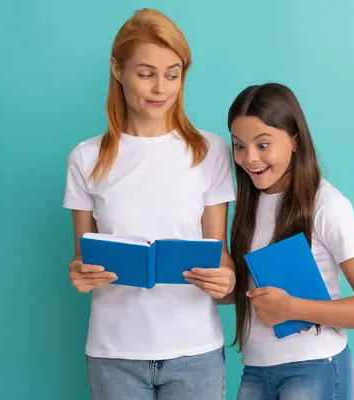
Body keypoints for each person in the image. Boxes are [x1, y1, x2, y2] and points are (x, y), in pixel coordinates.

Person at [62, 8, 236, 400]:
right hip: (114, 354)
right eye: (146, 73)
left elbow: (220, 257)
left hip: (195, 353)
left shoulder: (210, 152)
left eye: (172, 74)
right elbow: (80, 257)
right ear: (117, 70)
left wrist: (226, 279)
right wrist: (79, 273)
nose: (161, 88)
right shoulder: (85, 158)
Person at [226, 82, 354, 400]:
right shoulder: (248, 203)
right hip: (256, 371)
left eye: (263, 145)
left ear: (294, 140)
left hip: (315, 369)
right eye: (239, 146)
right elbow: (250, 293)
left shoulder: (327, 205)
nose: (249, 159)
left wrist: (291, 308)